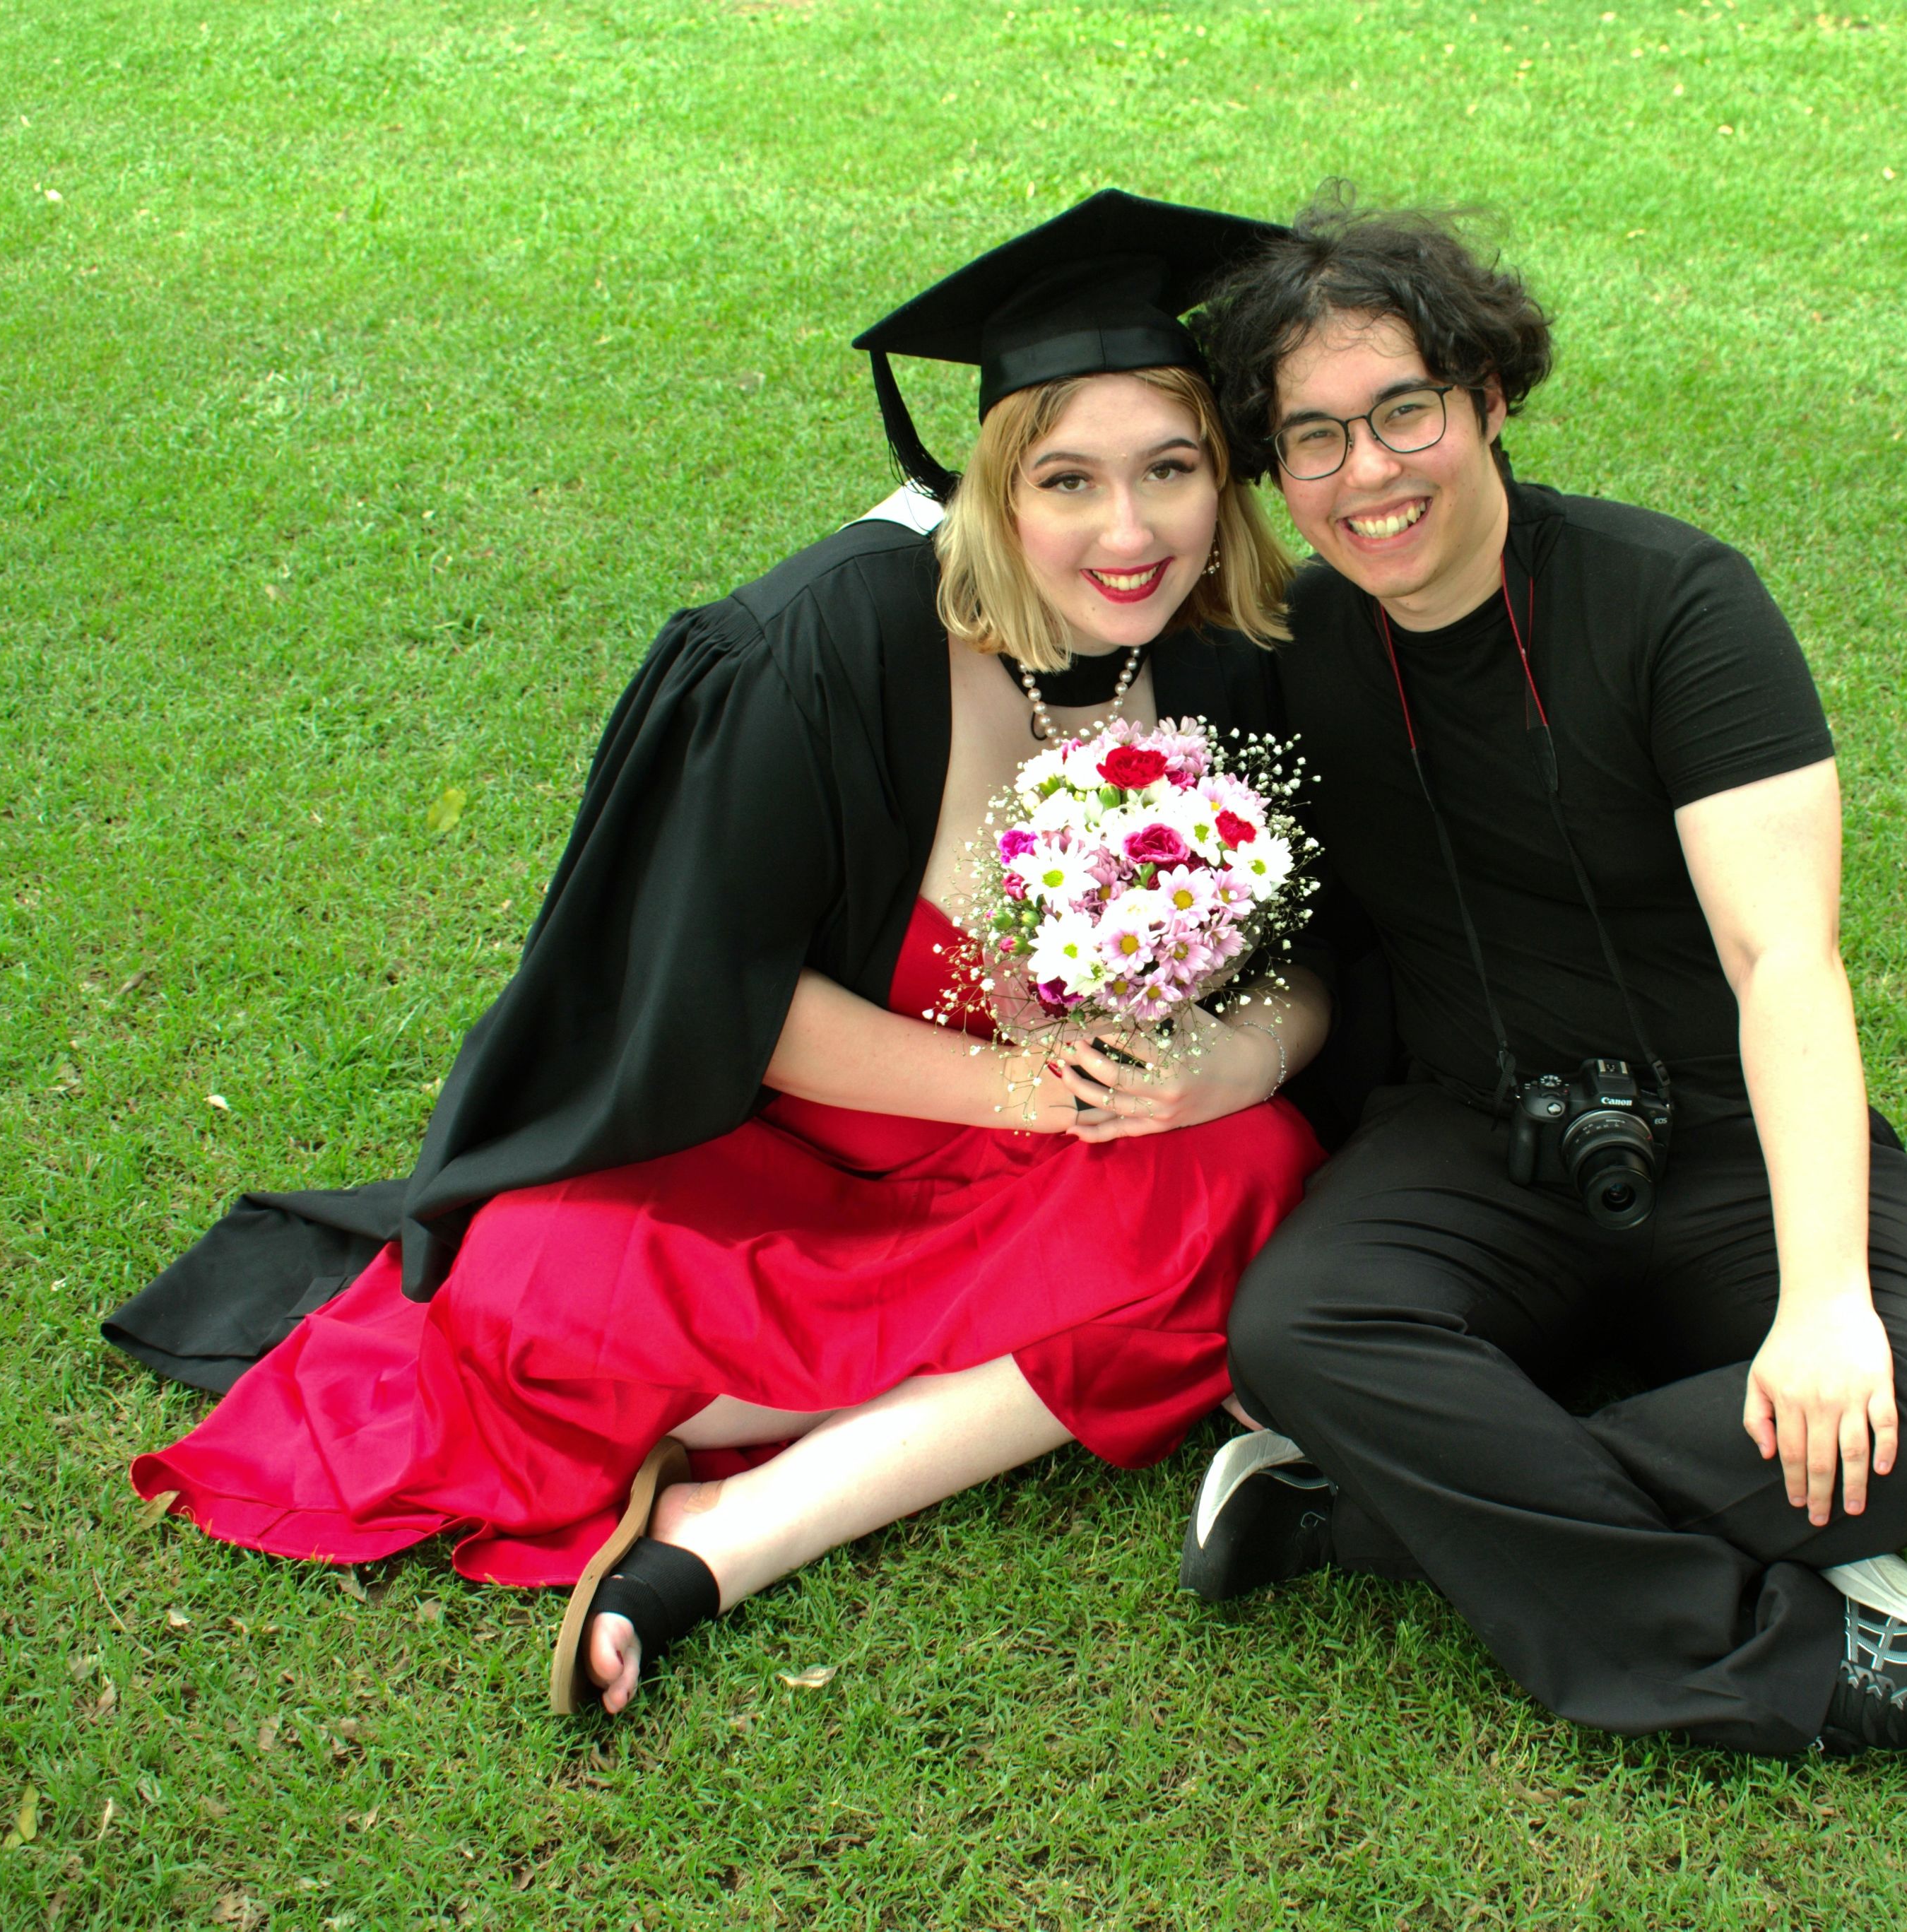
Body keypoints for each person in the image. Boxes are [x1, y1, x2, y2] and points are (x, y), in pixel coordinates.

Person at [105, 191, 1335, 1716]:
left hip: (1053, 1176)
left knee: (1256, 1172)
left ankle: (724, 1533)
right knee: (512, 1304)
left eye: (1173, 470)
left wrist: (1231, 1053)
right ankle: (850, 1438)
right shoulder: (823, 648)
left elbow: (1315, 964)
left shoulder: (1227, 666)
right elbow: (722, 999)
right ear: (988, 485)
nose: (1130, 530)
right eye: (1069, 479)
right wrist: (1022, 1085)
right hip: (787, 1165)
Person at [1176, 199, 1907, 1790]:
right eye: (1311, 440)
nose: (1365, 474)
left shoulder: (1674, 605)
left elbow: (1780, 957)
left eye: (1402, 412)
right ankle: (1815, 1654)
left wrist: (1822, 1301)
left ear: (1487, 397)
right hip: (1469, 1135)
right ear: (1274, 470)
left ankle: (1366, 1507)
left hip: (1720, 1130)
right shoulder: (1290, 651)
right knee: (1302, 1329)